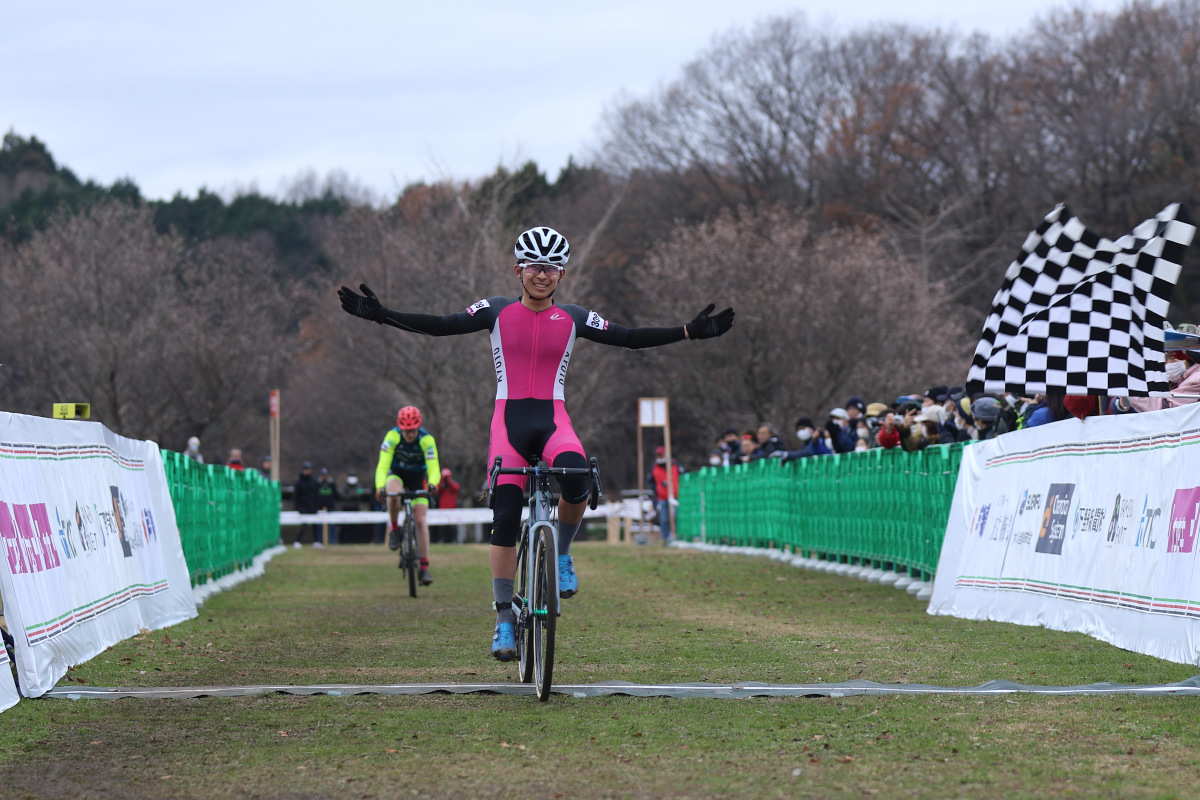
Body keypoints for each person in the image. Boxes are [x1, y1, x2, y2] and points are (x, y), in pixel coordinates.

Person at [339, 225, 734, 662]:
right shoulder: (494, 310)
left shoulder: (575, 318)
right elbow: (439, 327)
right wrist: (383, 314)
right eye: (535, 267)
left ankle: (561, 553)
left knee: (578, 475)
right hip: (507, 424)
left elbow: (630, 337)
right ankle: (504, 617)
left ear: (562, 275)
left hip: (552, 419)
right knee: (506, 515)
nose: (542, 275)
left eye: (552, 268)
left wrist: (688, 332)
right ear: (518, 270)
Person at [375, 405, 441, 585]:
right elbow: (382, 465)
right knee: (393, 493)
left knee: (420, 520)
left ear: (418, 426)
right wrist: (380, 487)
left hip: (419, 478)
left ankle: (425, 567)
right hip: (398, 474)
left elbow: (434, 467)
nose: (410, 434)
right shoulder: (392, 437)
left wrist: (434, 484)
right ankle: (395, 529)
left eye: (412, 430)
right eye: (406, 431)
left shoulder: (426, 440)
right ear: (400, 427)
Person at [648, 445, 682, 543]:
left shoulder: (675, 465)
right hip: (662, 497)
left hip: (675, 496)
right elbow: (651, 481)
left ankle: (677, 537)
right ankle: (666, 538)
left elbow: (682, 476)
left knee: (676, 517)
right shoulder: (654, 467)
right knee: (664, 519)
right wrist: (657, 490)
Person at [292, 461, 320, 547]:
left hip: (312, 507)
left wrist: (317, 506)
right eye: (305, 469)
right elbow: (295, 496)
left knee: (315, 525)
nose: (307, 471)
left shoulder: (314, 481)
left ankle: (316, 541)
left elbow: (317, 495)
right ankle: (297, 541)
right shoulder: (299, 482)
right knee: (303, 525)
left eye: (308, 469)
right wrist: (298, 507)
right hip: (303, 507)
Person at [433, 467, 463, 544]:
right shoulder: (441, 485)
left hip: (452, 508)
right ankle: (442, 539)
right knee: (443, 526)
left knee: (453, 525)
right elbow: (437, 491)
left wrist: (448, 481)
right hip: (442, 508)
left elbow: (456, 488)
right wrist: (442, 480)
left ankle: (453, 539)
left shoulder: (453, 483)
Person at [316, 468, 339, 546]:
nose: (324, 477)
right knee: (319, 526)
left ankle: (333, 541)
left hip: (330, 507)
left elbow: (336, 495)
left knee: (332, 525)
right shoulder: (317, 484)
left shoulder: (332, 484)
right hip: (320, 507)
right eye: (323, 475)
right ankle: (319, 541)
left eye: (325, 475)